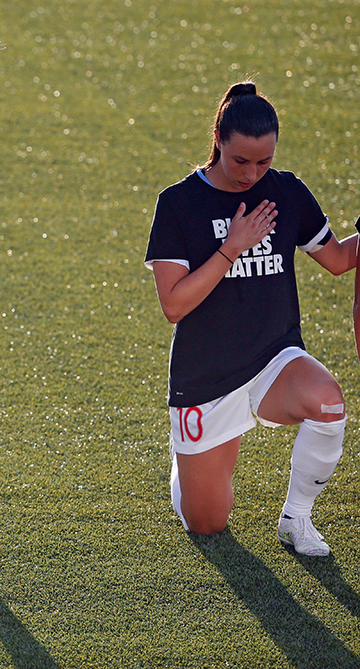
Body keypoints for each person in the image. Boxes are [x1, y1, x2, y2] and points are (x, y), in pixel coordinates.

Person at [145, 82, 357, 555]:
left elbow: (339, 259)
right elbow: (174, 304)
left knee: (328, 405)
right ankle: (186, 463)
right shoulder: (178, 203)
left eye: (264, 161)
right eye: (241, 160)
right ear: (218, 137)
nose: (252, 173)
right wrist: (231, 247)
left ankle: (296, 519)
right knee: (207, 524)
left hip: (273, 358)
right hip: (206, 375)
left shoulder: (286, 191)